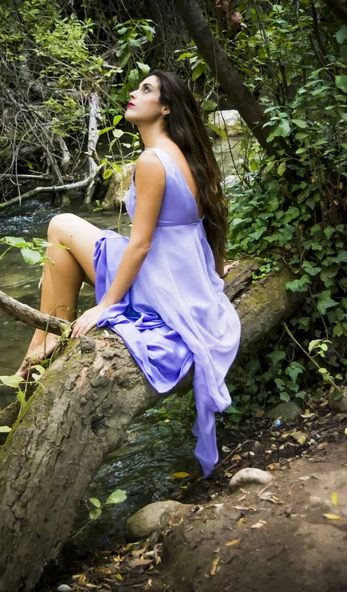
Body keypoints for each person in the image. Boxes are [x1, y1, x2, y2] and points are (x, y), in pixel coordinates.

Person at [17, 70, 241, 476]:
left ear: (166, 107)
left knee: (60, 226)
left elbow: (140, 244)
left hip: (159, 279)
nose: (135, 94)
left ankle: (39, 348)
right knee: (62, 241)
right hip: (183, 276)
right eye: (138, 87)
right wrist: (217, 275)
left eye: (147, 90)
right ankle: (45, 342)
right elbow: (209, 226)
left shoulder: (152, 160)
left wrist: (105, 305)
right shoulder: (185, 154)